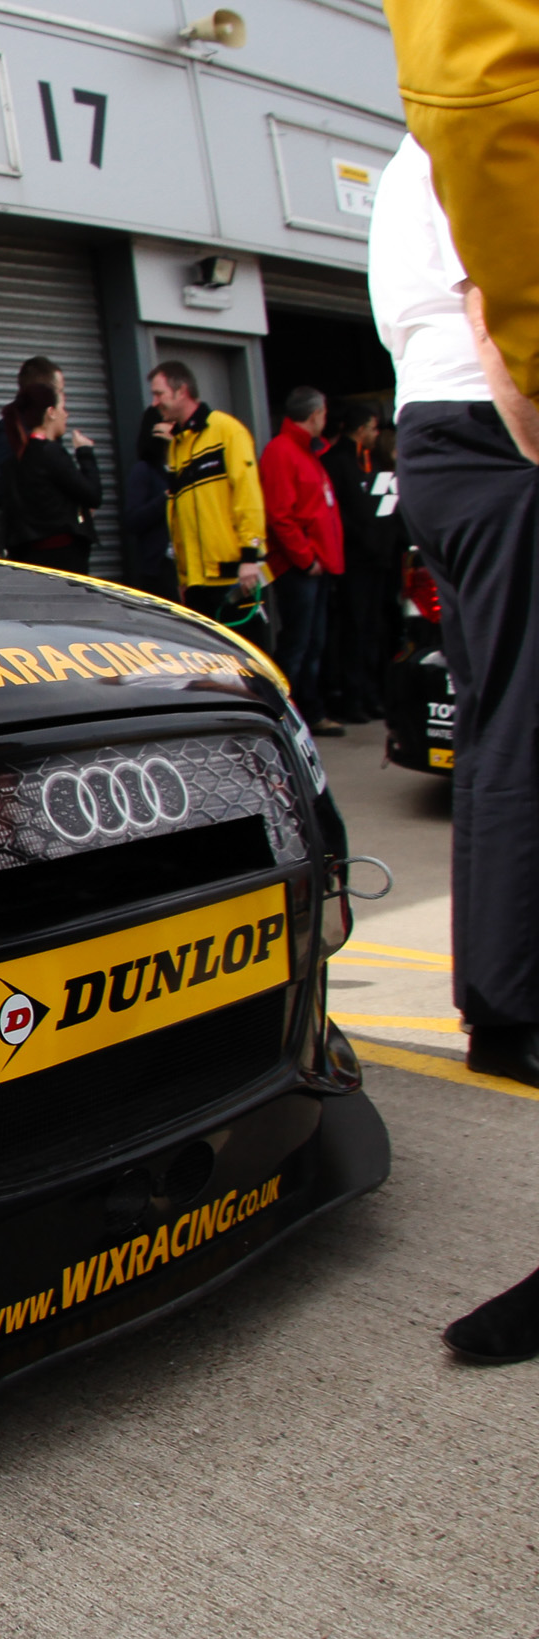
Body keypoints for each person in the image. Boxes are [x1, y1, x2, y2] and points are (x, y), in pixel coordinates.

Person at [371, 131, 539, 1363]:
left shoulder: (413, 144)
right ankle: (513, 998)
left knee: (499, 722)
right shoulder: (487, 110)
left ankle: (503, 993)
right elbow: (498, 299)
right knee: (523, 725)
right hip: (499, 425)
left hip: (447, 430)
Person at [385, 1, 539, 414]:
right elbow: (481, 306)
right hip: (474, 393)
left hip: (425, 393)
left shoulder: (411, 160)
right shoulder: (437, 154)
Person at [151, 361, 267, 623]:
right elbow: (178, 515)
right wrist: (184, 577)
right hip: (197, 583)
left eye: (159, 394)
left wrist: (250, 557)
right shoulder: (178, 445)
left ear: (181, 391)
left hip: (235, 577)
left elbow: (248, 496)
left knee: (242, 649)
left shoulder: (227, 431)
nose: (155, 402)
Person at [260, 385, 346, 733]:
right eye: (323, 413)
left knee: (312, 643)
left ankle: (308, 712)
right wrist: (306, 559)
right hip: (301, 568)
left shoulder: (304, 451)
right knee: (298, 644)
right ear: (315, 415)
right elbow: (280, 515)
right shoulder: (283, 451)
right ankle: (281, 717)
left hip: (314, 566)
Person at [319, 400, 385, 722]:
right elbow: (337, 512)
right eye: (373, 428)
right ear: (360, 430)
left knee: (373, 627)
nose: (377, 434)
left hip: (376, 559)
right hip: (352, 561)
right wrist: (364, 538)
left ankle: (371, 694)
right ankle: (349, 697)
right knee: (353, 629)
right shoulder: (336, 461)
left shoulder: (374, 461)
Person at [0, 381, 98, 575]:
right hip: (62, 561)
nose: (66, 414)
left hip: (28, 561)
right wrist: (85, 452)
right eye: (63, 407)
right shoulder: (51, 453)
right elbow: (93, 495)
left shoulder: (17, 457)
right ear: (51, 412)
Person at [0, 355, 64, 525]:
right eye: (60, 391)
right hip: (32, 534)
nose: (63, 398)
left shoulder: (52, 429)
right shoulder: (10, 429)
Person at [120, 407, 179, 600]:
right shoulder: (144, 470)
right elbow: (133, 520)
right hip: (161, 567)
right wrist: (165, 498)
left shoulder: (183, 466)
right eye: (169, 423)